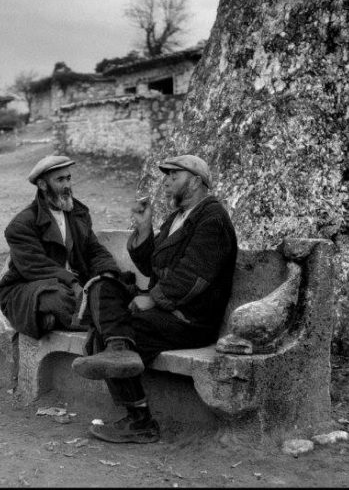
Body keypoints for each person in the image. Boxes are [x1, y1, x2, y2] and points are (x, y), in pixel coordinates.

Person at [71, 154, 238, 444]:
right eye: (167, 176)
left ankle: (140, 422)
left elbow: (194, 276)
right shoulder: (178, 217)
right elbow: (152, 267)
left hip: (189, 319)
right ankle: (118, 349)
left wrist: (154, 299)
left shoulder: (213, 218)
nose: (167, 182)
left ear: (196, 182)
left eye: (175, 176)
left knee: (113, 330)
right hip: (166, 313)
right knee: (103, 287)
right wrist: (145, 228)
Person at [0, 155, 123, 339]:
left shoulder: (78, 214)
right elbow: (35, 267)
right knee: (58, 297)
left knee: (115, 287)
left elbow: (94, 250)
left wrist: (107, 272)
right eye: (60, 180)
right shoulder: (21, 225)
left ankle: (62, 318)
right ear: (43, 185)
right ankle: (92, 319)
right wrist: (72, 283)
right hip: (30, 286)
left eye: (69, 178)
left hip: (75, 284)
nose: (67, 185)